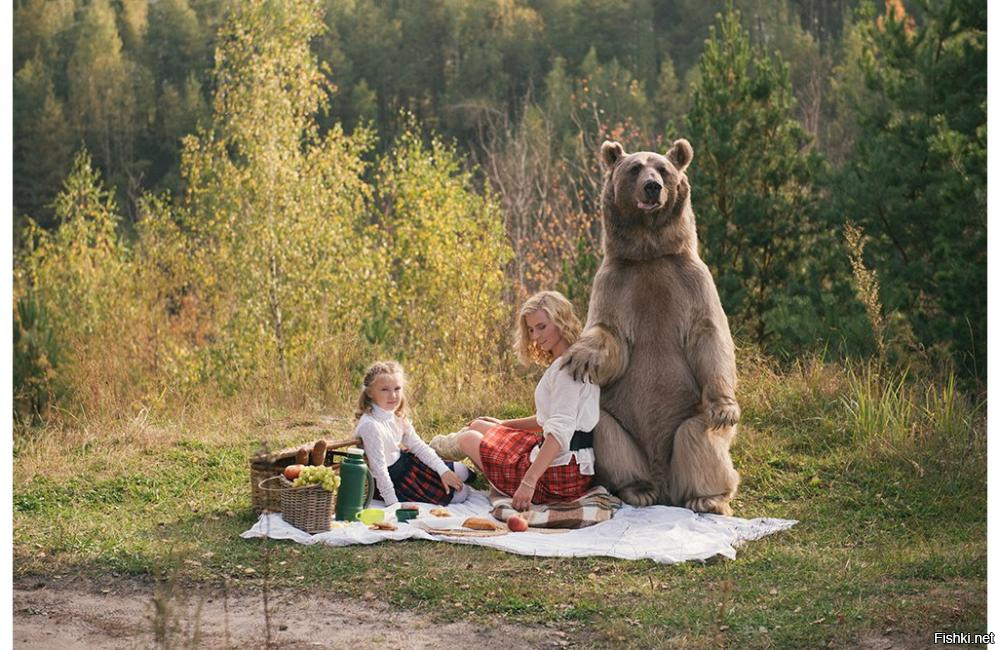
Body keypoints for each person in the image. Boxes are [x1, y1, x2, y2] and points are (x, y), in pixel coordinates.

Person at [431, 291, 597, 511]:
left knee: (469, 439)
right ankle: (437, 453)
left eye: (541, 327)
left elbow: (558, 432)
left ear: (561, 321)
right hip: (563, 463)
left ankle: (436, 453)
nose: (536, 336)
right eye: (531, 329)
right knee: (480, 425)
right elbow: (545, 420)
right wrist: (503, 424)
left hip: (560, 477)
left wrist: (528, 484)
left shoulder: (567, 370)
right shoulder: (570, 359)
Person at [353, 360, 471, 506]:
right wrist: (393, 504)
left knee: (462, 471)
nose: (393, 396)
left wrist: (443, 471)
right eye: (384, 390)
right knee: (462, 494)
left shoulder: (395, 414)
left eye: (397, 389)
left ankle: (457, 476)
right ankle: (455, 485)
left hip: (407, 463)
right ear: (370, 392)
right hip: (394, 479)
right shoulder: (371, 425)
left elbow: (418, 446)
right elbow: (380, 470)